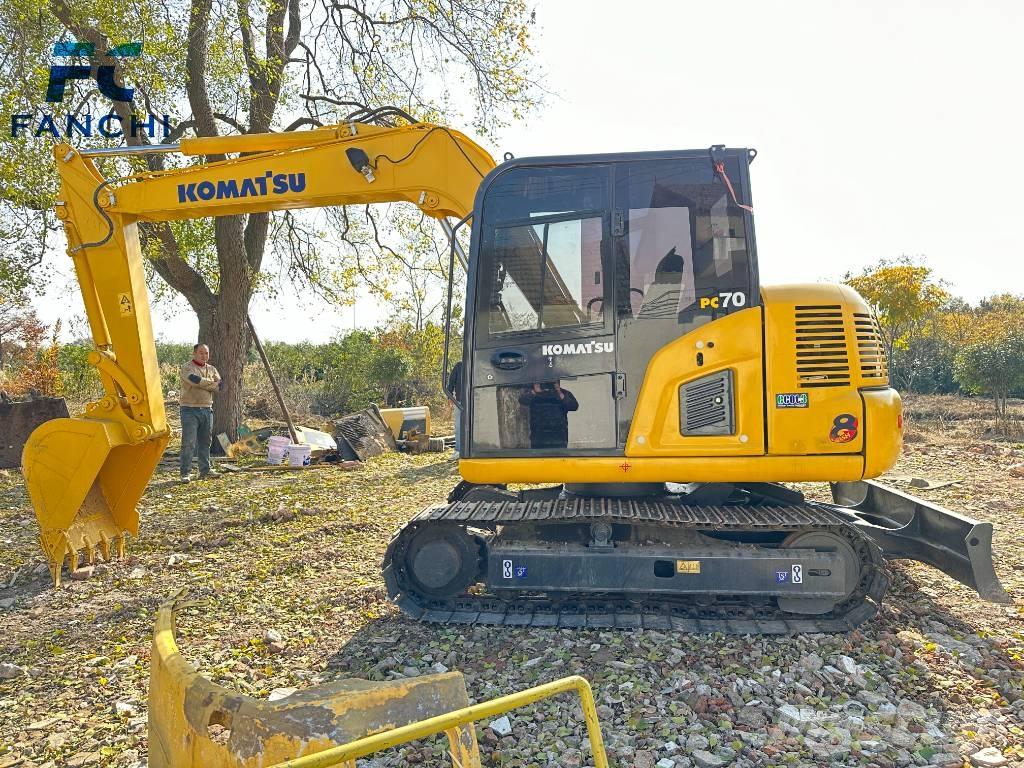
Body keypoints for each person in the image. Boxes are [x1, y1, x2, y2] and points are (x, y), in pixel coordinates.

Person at [179, 343, 221, 482]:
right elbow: (194, 380)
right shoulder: (187, 368)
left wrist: (210, 384)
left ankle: (205, 470)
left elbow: (220, 386)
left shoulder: (212, 368)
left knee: (205, 441)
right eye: (201, 353)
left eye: (206, 353)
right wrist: (211, 384)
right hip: (189, 409)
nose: (204, 356)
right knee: (189, 442)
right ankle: (185, 473)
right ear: (194, 353)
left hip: (207, 409)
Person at [518, 381, 578, 449]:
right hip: (539, 437)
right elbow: (522, 400)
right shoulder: (535, 393)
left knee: (559, 458)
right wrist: (534, 391)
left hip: (559, 437)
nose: (547, 385)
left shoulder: (563, 392)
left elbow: (574, 406)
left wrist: (559, 392)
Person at [445, 360, 464, 458]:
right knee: (458, 426)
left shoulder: (478, 363)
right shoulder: (459, 366)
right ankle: (458, 450)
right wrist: (450, 397)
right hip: (459, 401)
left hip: (477, 401)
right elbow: (451, 382)